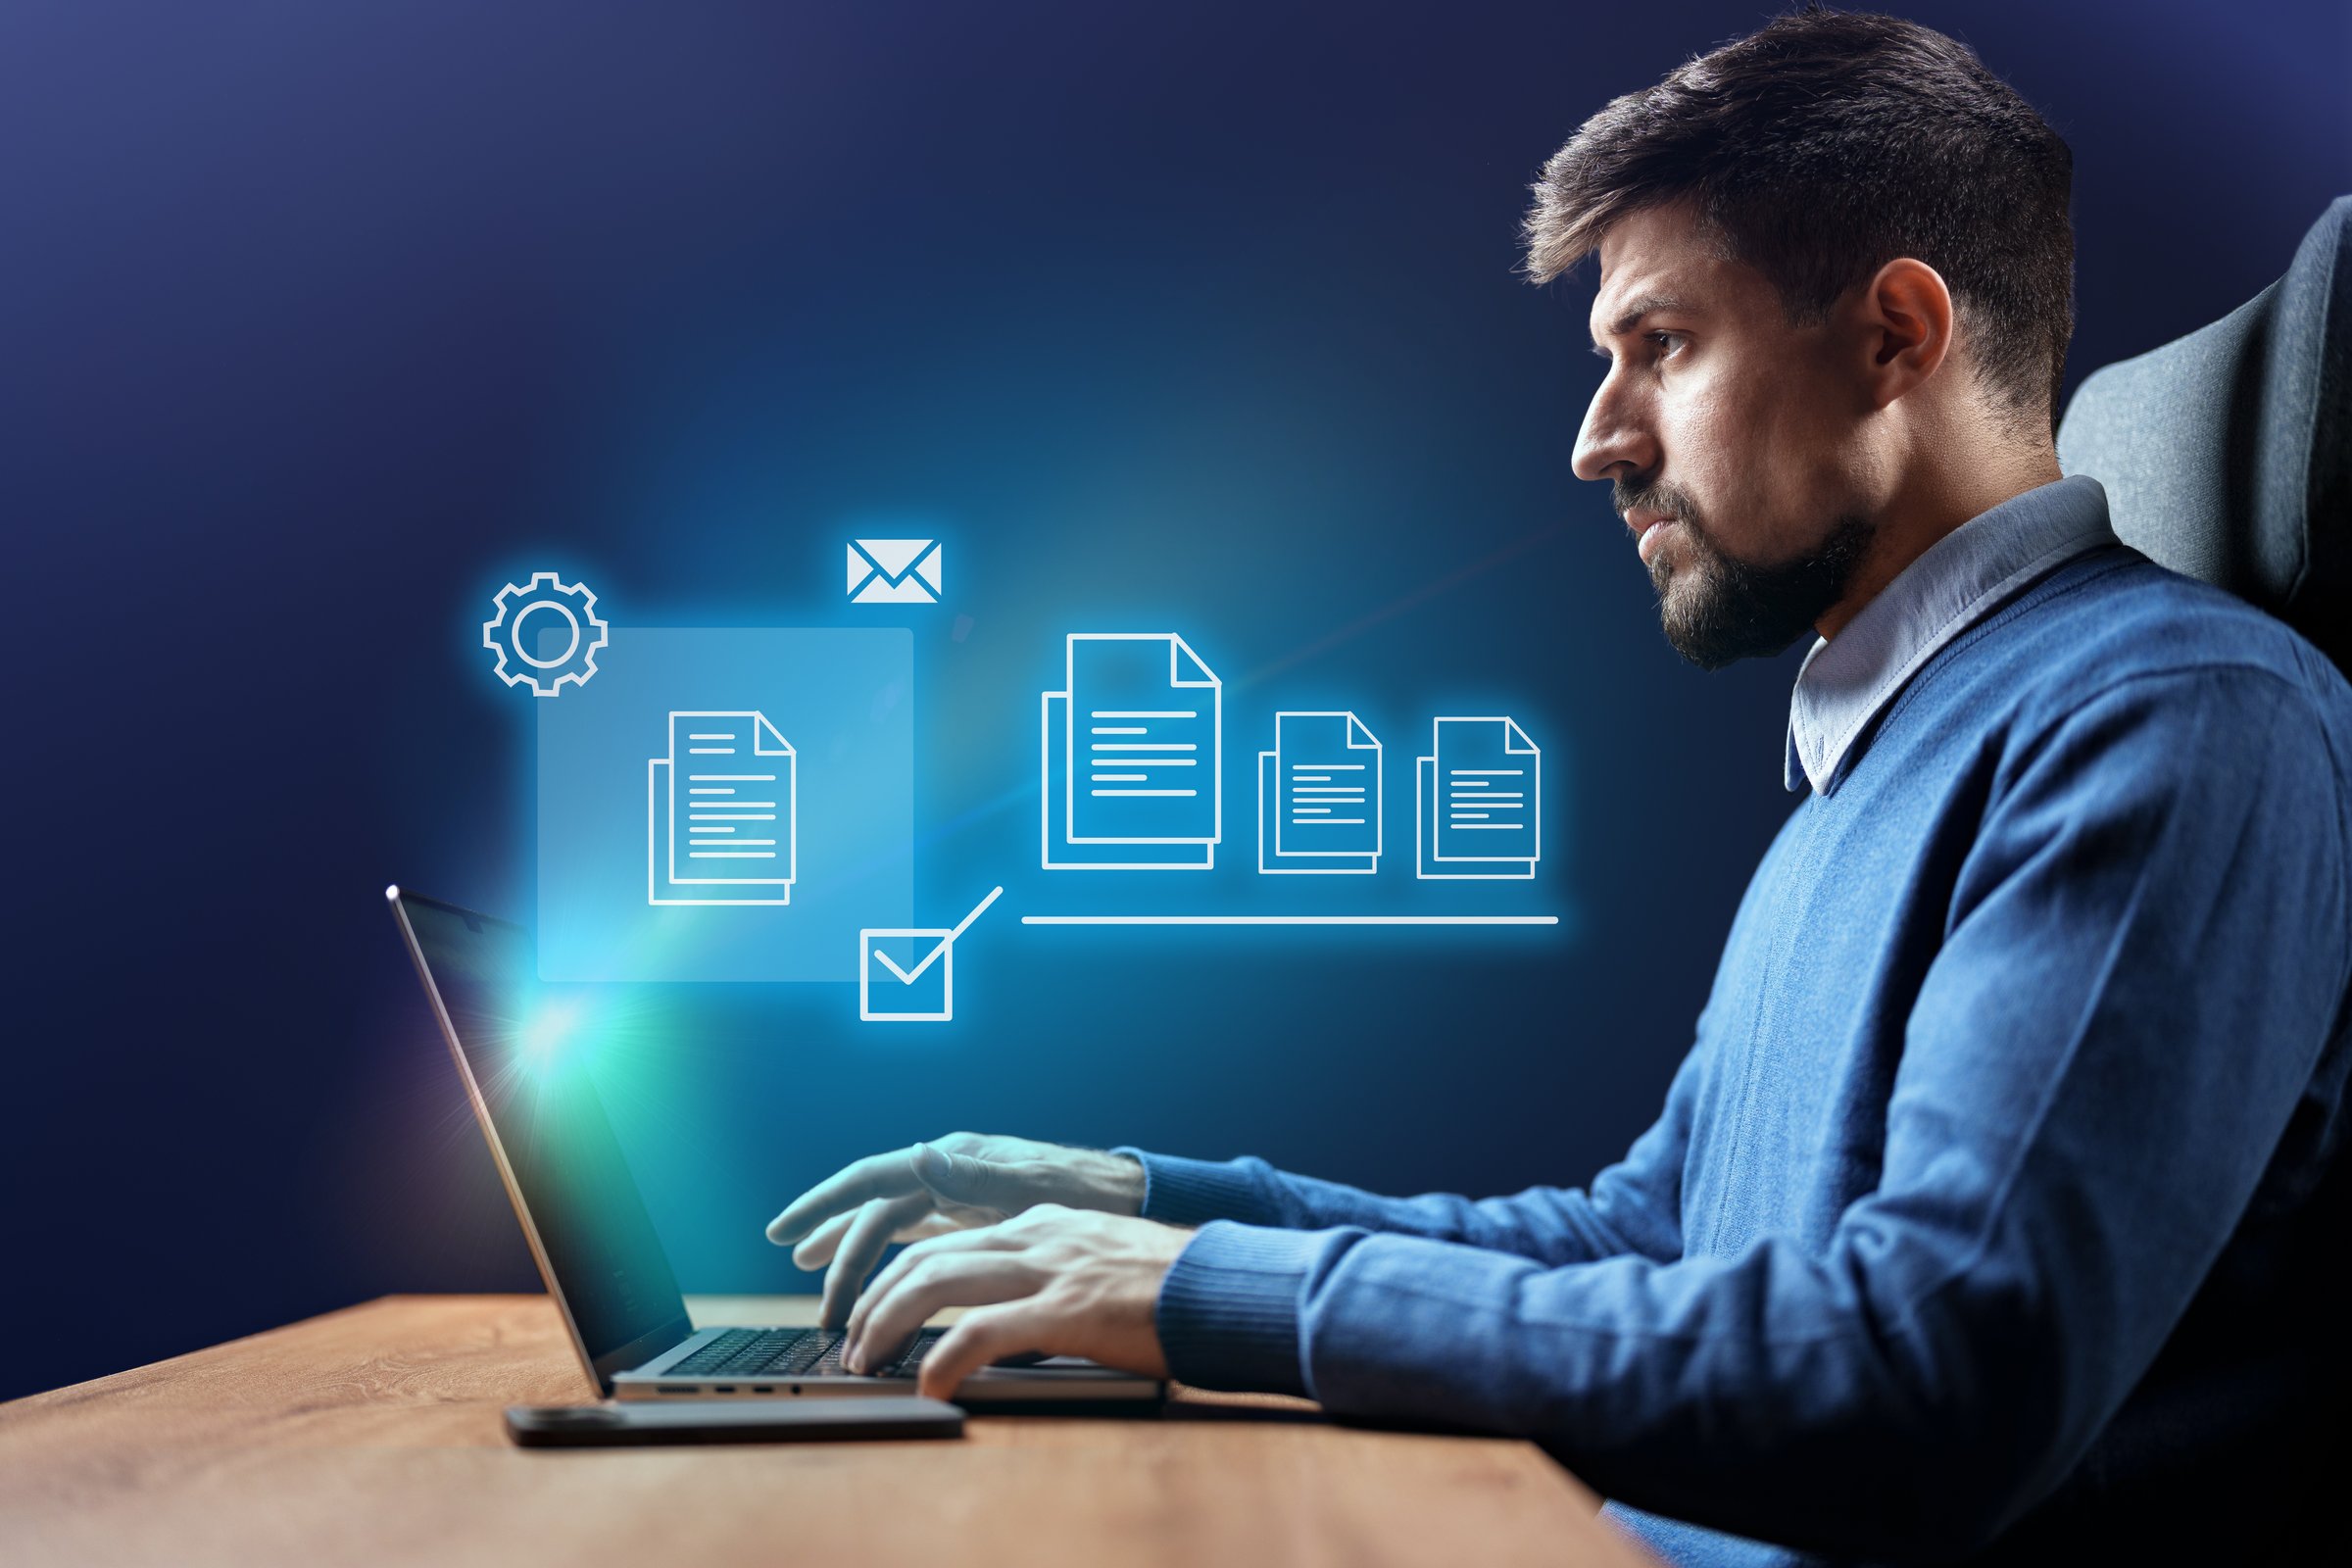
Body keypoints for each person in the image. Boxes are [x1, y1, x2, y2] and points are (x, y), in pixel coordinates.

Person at [766, 11, 2352, 1562]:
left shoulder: (2175, 723)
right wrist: (1158, 1213)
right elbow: (1643, 1239)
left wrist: (1204, 1300)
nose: (1598, 438)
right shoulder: (1886, 744)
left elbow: (1937, 1377)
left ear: (1895, 336)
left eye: (1662, 345)